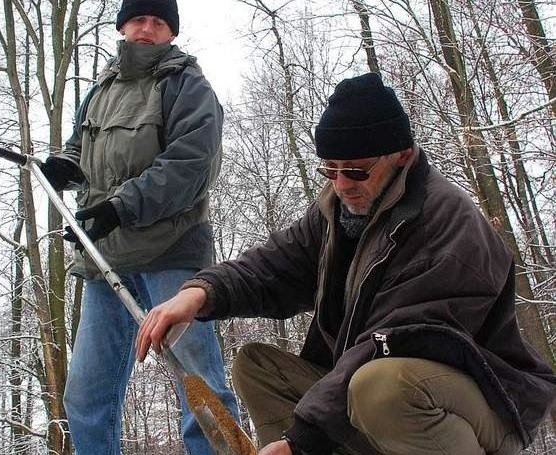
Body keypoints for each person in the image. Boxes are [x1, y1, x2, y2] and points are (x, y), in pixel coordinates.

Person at [135, 73, 556, 455]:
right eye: (329, 170)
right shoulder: (339, 212)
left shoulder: (448, 226)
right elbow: (272, 267)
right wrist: (197, 294)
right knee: (258, 366)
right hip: (378, 387)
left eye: (355, 171)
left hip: (483, 405)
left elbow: (391, 340)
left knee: (381, 387)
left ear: (403, 156)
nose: (341, 185)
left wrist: (299, 441)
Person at [39, 0, 239, 453]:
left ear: (171, 32)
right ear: (123, 26)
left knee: (199, 386)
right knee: (86, 394)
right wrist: (62, 169)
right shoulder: (101, 89)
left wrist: (120, 207)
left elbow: (191, 165)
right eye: (138, 19)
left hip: (172, 255)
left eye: (158, 22)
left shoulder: (187, 85)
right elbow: (80, 152)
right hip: (105, 260)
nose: (147, 29)